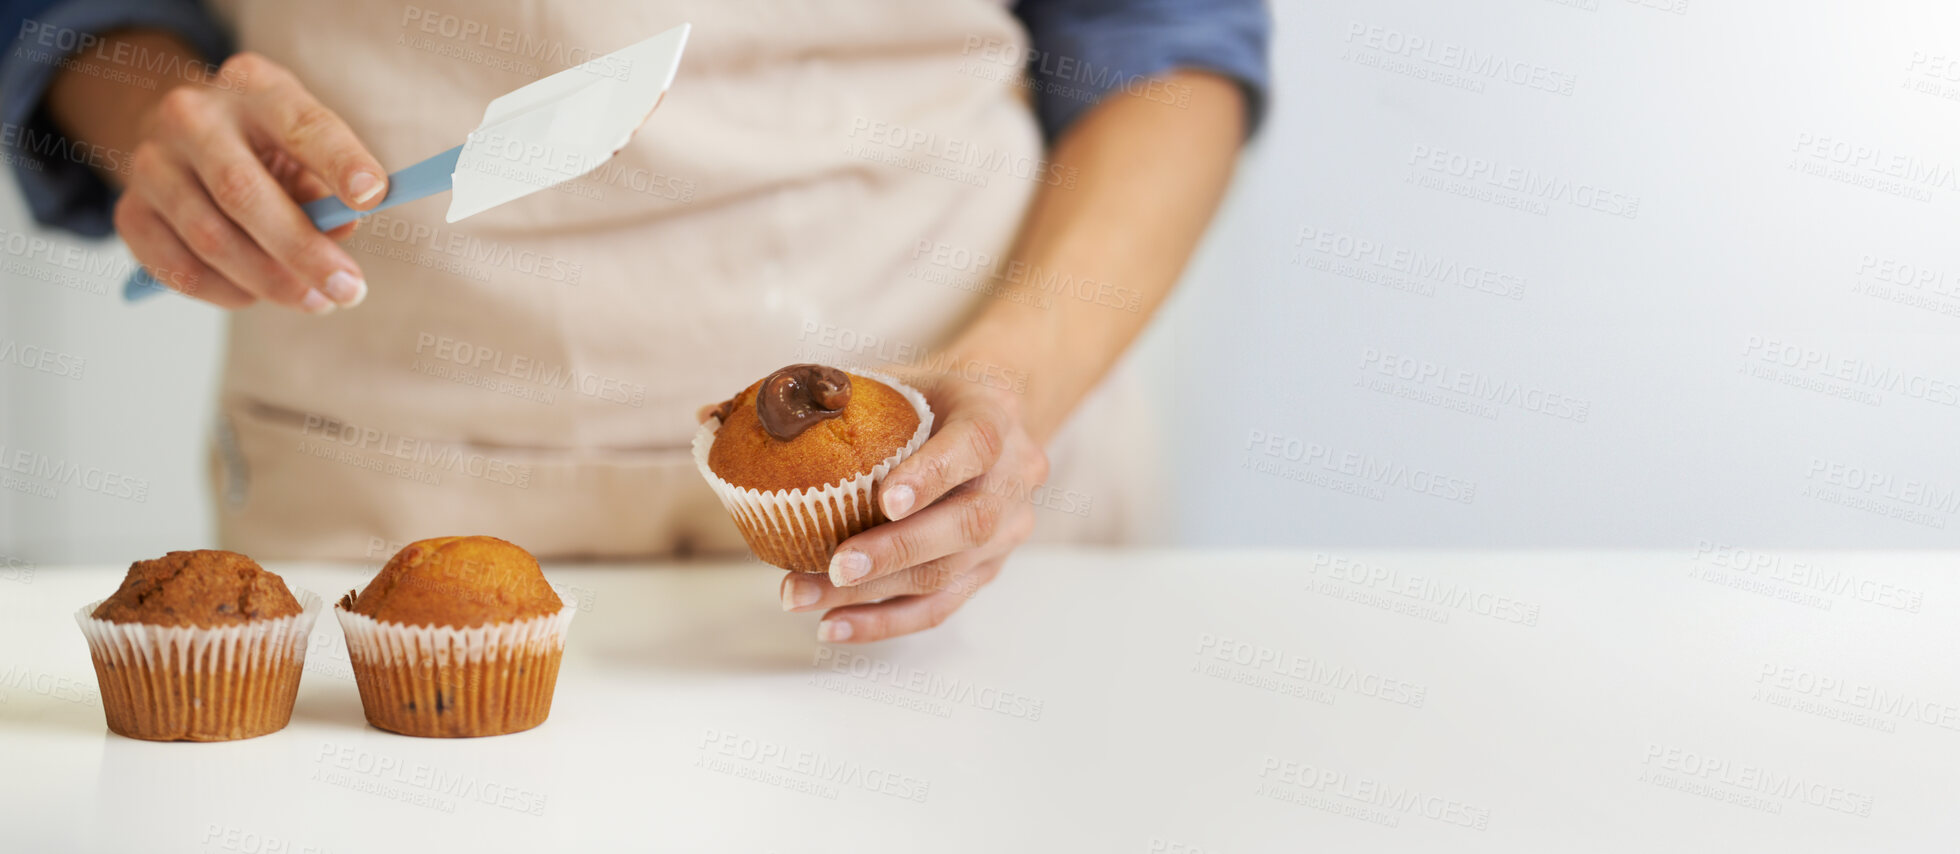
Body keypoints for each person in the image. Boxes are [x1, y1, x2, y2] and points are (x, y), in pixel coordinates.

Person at [4, 0, 1267, 642]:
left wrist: (1011, 385)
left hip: (950, 472)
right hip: (381, 466)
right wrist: (156, 121)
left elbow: (1164, 37)